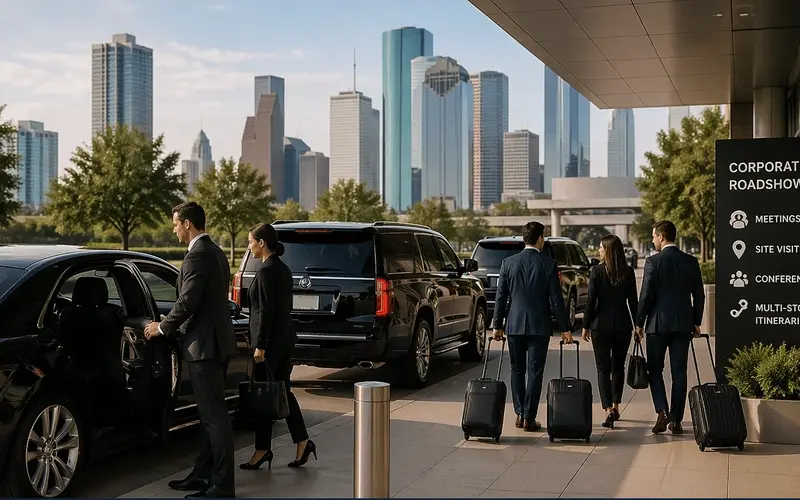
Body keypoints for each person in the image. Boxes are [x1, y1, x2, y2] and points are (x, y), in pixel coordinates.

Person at [144, 202, 237, 498]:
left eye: (175, 223)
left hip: (204, 348)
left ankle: (222, 486)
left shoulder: (197, 256)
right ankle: (202, 475)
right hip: (216, 345)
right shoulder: (216, 252)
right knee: (211, 416)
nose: (173, 229)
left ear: (187, 223)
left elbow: (187, 303)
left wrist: (161, 327)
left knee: (214, 419)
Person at [239, 223, 316, 471]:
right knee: (283, 392)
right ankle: (303, 442)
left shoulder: (265, 272)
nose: (249, 247)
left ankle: (262, 450)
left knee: (265, 396)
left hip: (270, 344)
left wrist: (259, 345)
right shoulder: (282, 269)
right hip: (285, 340)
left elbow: (265, 313)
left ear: (262, 243)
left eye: (250, 242)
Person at [491, 221, 572, 432]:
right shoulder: (548, 264)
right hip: (539, 326)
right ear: (540, 239)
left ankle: (519, 412)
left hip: (515, 325)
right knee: (535, 372)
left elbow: (501, 297)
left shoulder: (508, 263)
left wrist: (497, 325)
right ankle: (529, 417)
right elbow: (556, 299)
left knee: (517, 369)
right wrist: (565, 328)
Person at [635, 220, 704, 435]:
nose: (653, 240)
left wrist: (639, 323)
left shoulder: (653, 262)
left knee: (654, 370)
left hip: (657, 324)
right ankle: (676, 420)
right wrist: (696, 322)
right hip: (683, 325)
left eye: (654, 236)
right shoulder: (691, 261)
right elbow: (699, 295)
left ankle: (662, 410)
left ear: (662, 237)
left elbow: (645, 295)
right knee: (679, 372)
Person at [582, 234, 638, 429]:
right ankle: (616, 406)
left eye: (601, 248)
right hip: (623, 326)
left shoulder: (596, 271)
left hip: (600, 327)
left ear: (608, 250)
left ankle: (607, 409)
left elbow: (590, 301)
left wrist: (586, 325)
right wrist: (638, 325)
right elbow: (633, 302)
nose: (598, 251)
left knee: (602, 369)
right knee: (618, 368)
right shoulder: (628, 272)